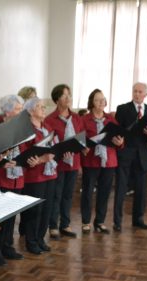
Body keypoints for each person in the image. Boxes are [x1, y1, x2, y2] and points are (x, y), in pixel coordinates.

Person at [0, 95, 26, 266]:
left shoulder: (18, 126)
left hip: (16, 176)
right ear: (8, 111)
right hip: (0, 178)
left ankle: (7, 247)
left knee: (11, 217)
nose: (21, 112)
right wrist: (1, 161)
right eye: (18, 109)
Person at [114, 82, 147, 231]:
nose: (137, 94)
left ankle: (138, 219)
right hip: (126, 153)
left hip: (143, 154)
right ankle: (117, 221)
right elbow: (118, 131)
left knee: (141, 190)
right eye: (135, 91)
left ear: (146, 94)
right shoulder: (123, 108)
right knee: (121, 188)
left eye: (140, 92)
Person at [80, 89, 124, 234]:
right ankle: (86, 221)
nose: (101, 102)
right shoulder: (84, 119)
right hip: (91, 160)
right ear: (92, 102)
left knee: (104, 192)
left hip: (109, 161)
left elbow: (120, 140)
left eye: (103, 100)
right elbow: (79, 140)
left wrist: (120, 142)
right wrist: (82, 147)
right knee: (87, 192)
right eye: (98, 100)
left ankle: (100, 221)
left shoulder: (111, 119)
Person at [44, 84, 84, 239]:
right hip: (58, 164)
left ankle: (65, 224)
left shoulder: (76, 118)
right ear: (56, 99)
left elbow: (81, 139)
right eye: (64, 95)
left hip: (73, 162)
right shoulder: (50, 119)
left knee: (68, 195)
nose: (68, 98)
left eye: (69, 95)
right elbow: (49, 143)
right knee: (56, 195)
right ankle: (53, 225)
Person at [20, 97, 57, 254]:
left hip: (50, 173)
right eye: (40, 107)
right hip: (34, 176)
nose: (44, 109)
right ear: (30, 111)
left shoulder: (47, 127)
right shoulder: (26, 130)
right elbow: (23, 155)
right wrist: (41, 159)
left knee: (47, 209)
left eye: (44, 106)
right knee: (35, 211)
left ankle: (40, 238)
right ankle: (31, 241)